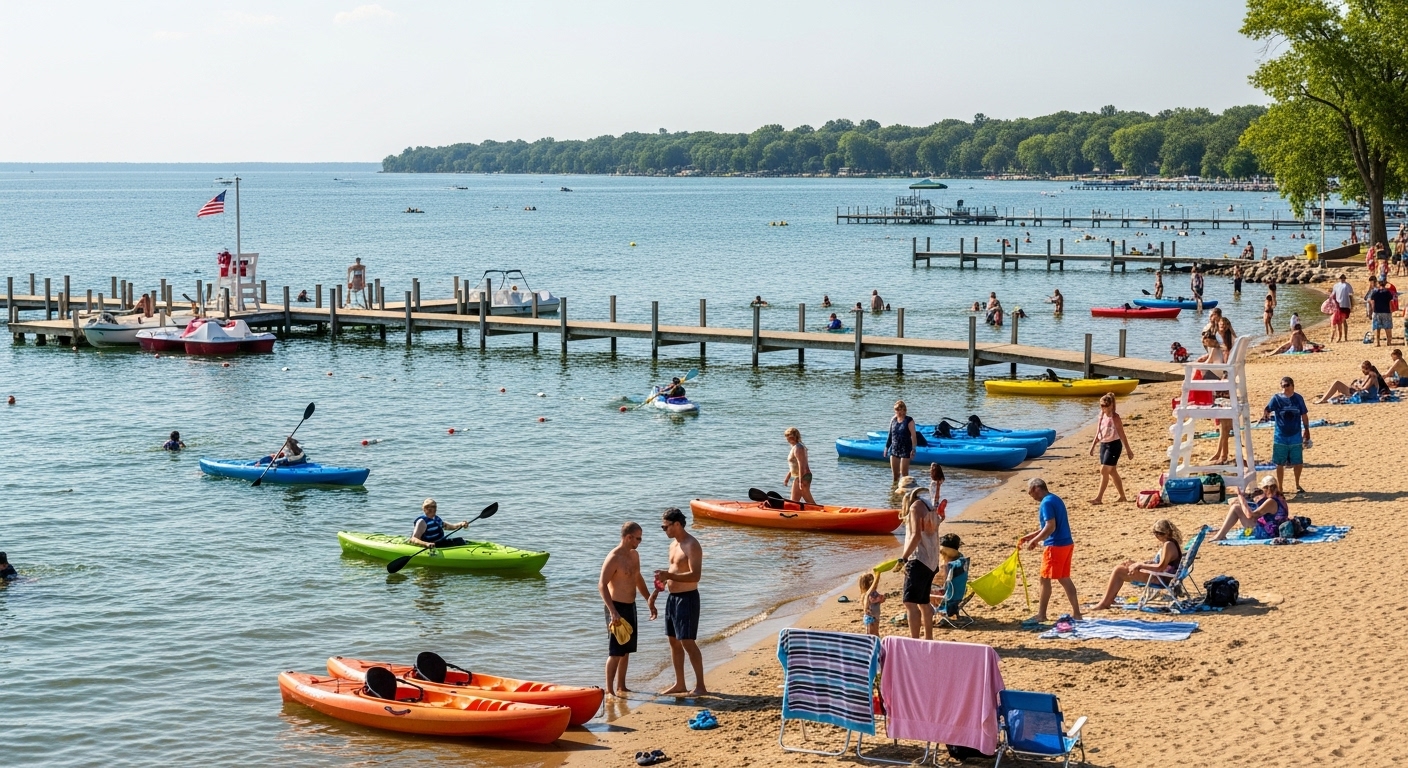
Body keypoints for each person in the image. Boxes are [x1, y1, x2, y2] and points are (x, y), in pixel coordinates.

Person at [651, 508, 706, 696]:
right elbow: (669, 574)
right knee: (673, 641)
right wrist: (655, 594)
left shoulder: (692, 545)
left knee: (688, 642)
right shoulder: (673, 545)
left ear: (676, 524)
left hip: (688, 598)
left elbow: (696, 575)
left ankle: (700, 686)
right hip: (672, 598)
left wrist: (669, 575)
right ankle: (680, 683)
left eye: (665, 526)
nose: (663, 530)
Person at [598, 521, 655, 697]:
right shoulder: (614, 557)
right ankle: (609, 690)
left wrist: (649, 600)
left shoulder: (634, 555)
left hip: (631, 606)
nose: (640, 542)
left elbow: (637, 578)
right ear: (628, 537)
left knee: (626, 650)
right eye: (638, 538)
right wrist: (613, 611)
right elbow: (602, 585)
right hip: (616, 607)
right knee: (615, 651)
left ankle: (621, 686)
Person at [1017, 478, 1082, 624]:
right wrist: (1032, 536)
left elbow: (1050, 527)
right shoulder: (1055, 499)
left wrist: (1035, 541)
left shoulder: (1046, 502)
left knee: (1044, 579)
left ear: (1036, 489)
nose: (1031, 497)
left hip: (1055, 546)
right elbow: (1049, 526)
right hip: (1066, 543)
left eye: (1030, 493)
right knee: (1064, 578)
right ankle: (1077, 613)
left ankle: (1041, 615)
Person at [1089, 520, 1184, 610]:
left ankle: (1105, 603)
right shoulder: (1172, 543)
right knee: (1124, 566)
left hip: (1160, 578)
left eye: (1157, 533)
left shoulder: (1168, 545)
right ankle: (1110, 599)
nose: (1156, 536)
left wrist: (1140, 565)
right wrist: (1137, 564)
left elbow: (1161, 567)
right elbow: (1162, 565)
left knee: (1118, 570)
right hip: (1162, 576)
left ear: (1164, 533)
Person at [891, 479, 939, 640]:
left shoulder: (914, 508)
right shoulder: (927, 505)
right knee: (924, 602)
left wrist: (903, 558)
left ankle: (914, 639)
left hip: (918, 559)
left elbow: (915, 535)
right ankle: (928, 638)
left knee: (910, 603)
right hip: (932, 560)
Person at [1265, 376, 1310, 494]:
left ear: (1292, 386)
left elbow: (1304, 415)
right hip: (1280, 435)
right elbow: (1267, 409)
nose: (1284, 388)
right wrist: (1266, 415)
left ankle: (1297, 484)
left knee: (1298, 462)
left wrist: (1307, 429)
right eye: (1283, 386)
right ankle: (1280, 487)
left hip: (1295, 434)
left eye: (1286, 386)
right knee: (1280, 463)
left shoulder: (1298, 399)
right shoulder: (1277, 398)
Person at [1212, 476, 1290, 541]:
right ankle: (1221, 534)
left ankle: (1220, 535)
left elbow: (1250, 515)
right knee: (1239, 505)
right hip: (1274, 529)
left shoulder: (1271, 501)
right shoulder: (1280, 498)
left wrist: (1240, 496)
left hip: (1268, 532)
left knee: (1236, 508)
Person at [1088, 393, 1132, 504]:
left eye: (1106, 406)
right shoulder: (1101, 415)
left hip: (1114, 445)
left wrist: (1128, 450)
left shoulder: (1115, 418)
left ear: (1111, 405)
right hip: (1104, 444)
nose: (1103, 408)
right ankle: (1122, 496)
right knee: (1112, 471)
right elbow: (1098, 431)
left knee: (1103, 470)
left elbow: (1122, 434)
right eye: (1101, 406)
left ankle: (1099, 498)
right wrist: (1093, 446)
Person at [1313, 360, 1390, 404]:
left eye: (1362, 369)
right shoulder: (1370, 375)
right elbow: (1363, 386)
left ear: (1366, 369)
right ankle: (1325, 398)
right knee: (1340, 389)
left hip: (1364, 396)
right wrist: (1357, 384)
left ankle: (1323, 399)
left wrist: (1357, 387)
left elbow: (1364, 388)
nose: (1362, 371)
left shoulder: (1372, 376)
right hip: (1363, 394)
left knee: (1337, 383)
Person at [933, 533, 969, 622]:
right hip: (959, 595)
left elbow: (940, 583)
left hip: (947, 597)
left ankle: (928, 612)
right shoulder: (961, 562)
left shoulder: (947, 566)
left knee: (921, 589)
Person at [885, 400, 917, 483]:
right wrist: (886, 447)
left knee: (904, 474)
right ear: (895, 410)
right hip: (895, 449)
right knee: (895, 475)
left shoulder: (909, 420)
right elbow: (890, 435)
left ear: (905, 410)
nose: (900, 412)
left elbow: (913, 436)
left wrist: (913, 449)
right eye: (898, 410)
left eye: (902, 410)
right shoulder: (893, 419)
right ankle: (894, 494)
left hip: (905, 449)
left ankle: (906, 492)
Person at [783, 427, 817, 506]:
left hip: (802, 476)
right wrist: (787, 478)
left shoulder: (798, 448)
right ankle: (817, 513)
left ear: (792, 437)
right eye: (786, 437)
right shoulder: (795, 447)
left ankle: (821, 514)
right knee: (798, 502)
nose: (786, 439)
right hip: (799, 476)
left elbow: (801, 465)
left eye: (787, 436)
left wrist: (800, 481)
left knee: (795, 502)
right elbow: (794, 466)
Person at [1368, 277, 1396, 346]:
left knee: (1377, 328)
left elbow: (1372, 302)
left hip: (1377, 312)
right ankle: (1388, 342)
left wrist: (1371, 311)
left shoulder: (1375, 292)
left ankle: (1378, 343)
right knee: (1387, 327)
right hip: (1386, 311)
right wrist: (1391, 310)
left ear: (1378, 283)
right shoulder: (1387, 292)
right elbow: (1390, 302)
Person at [857, 571, 886, 637]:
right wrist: (879, 599)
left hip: (876, 616)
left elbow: (878, 600)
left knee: (876, 632)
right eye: (873, 584)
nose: (875, 586)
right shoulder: (867, 594)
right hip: (870, 617)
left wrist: (882, 599)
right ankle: (872, 644)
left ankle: (877, 642)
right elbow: (872, 600)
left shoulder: (874, 592)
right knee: (871, 634)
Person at [1331, 274, 1353, 343]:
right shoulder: (1336, 285)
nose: (1342, 279)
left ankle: (1345, 337)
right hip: (1338, 305)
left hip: (1345, 305)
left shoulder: (1347, 285)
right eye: (1341, 278)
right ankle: (1339, 337)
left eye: (1343, 278)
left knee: (1343, 321)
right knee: (1339, 321)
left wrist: (1351, 305)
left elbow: (1350, 295)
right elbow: (1333, 295)